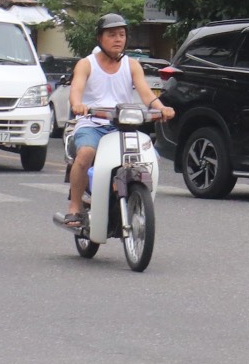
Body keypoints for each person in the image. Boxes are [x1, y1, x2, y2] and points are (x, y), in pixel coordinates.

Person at [58, 12, 172, 234]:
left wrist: (161, 108)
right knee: (86, 153)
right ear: (100, 38)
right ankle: (75, 206)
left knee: (148, 156)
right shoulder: (86, 64)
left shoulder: (132, 65)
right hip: (91, 123)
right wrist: (78, 105)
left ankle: (137, 199)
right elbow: (76, 90)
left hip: (123, 125)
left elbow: (147, 94)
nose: (118, 39)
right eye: (112, 35)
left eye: (122, 34)